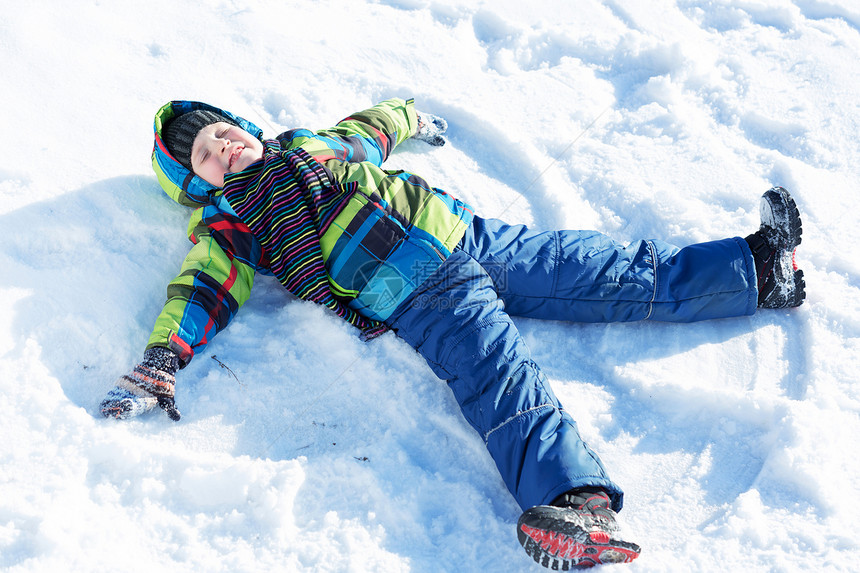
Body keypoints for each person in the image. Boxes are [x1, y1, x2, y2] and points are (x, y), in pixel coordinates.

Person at [99, 97, 805, 569]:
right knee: (502, 385)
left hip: (469, 233)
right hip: (421, 291)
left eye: (222, 133)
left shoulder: (313, 144)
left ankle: (759, 268)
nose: (222, 148)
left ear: (244, 125)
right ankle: (580, 508)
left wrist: (410, 115)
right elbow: (203, 288)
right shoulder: (231, 222)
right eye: (205, 158)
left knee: (609, 271)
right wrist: (164, 353)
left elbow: (372, 129)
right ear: (197, 186)